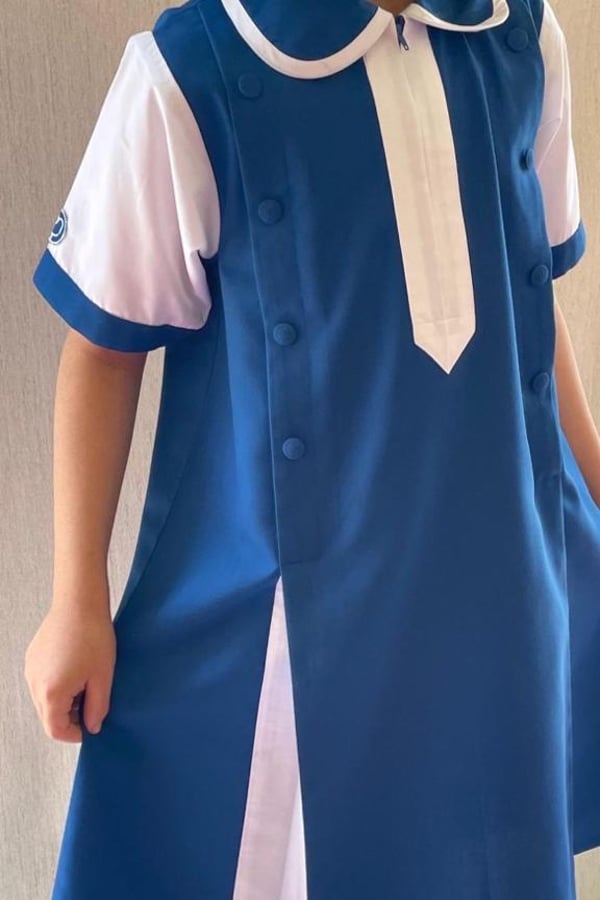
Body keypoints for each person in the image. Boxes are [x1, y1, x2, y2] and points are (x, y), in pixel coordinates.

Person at [24, 0, 600, 897]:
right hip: (297, 611)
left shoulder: (521, 37)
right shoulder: (192, 69)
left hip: (504, 587)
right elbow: (103, 348)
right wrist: (76, 600)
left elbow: (527, 293)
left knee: (496, 854)